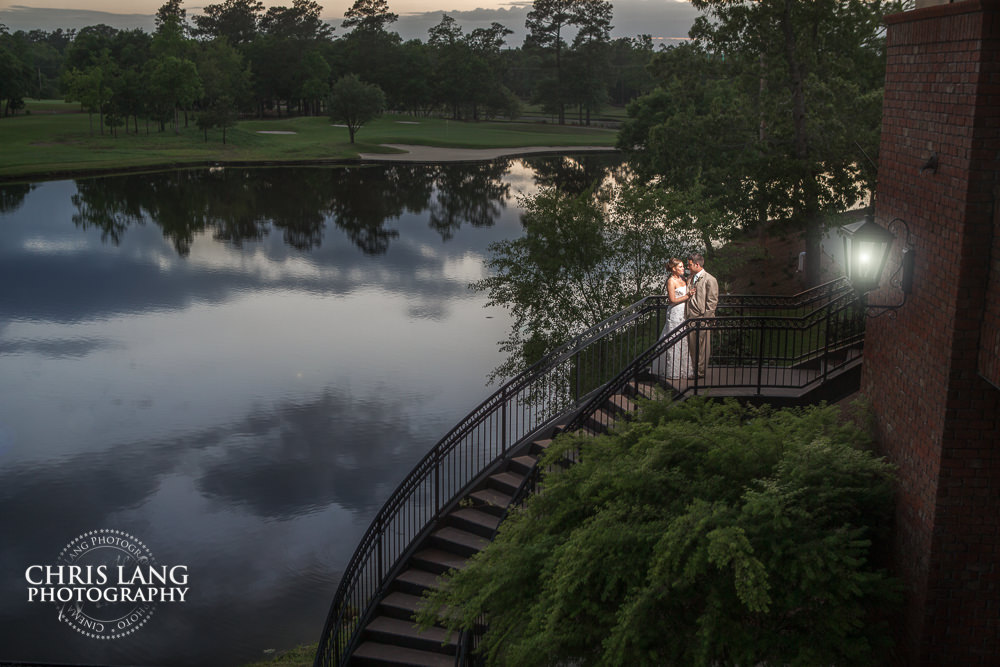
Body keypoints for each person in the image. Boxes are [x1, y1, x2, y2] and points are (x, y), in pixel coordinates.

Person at [651, 258, 692, 380]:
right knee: (674, 338)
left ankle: (684, 369)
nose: (683, 269)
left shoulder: (684, 279)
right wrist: (687, 296)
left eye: (683, 266)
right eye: (680, 267)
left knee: (684, 339)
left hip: (685, 312)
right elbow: (672, 300)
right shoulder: (671, 281)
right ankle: (672, 371)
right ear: (674, 268)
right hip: (675, 312)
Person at [685, 253, 719, 379]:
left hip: (701, 318)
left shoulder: (710, 279)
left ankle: (700, 372)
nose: (687, 267)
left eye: (689, 265)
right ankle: (694, 370)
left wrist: (705, 319)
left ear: (697, 264)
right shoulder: (690, 277)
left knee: (702, 347)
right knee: (693, 347)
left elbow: (712, 301)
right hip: (690, 318)